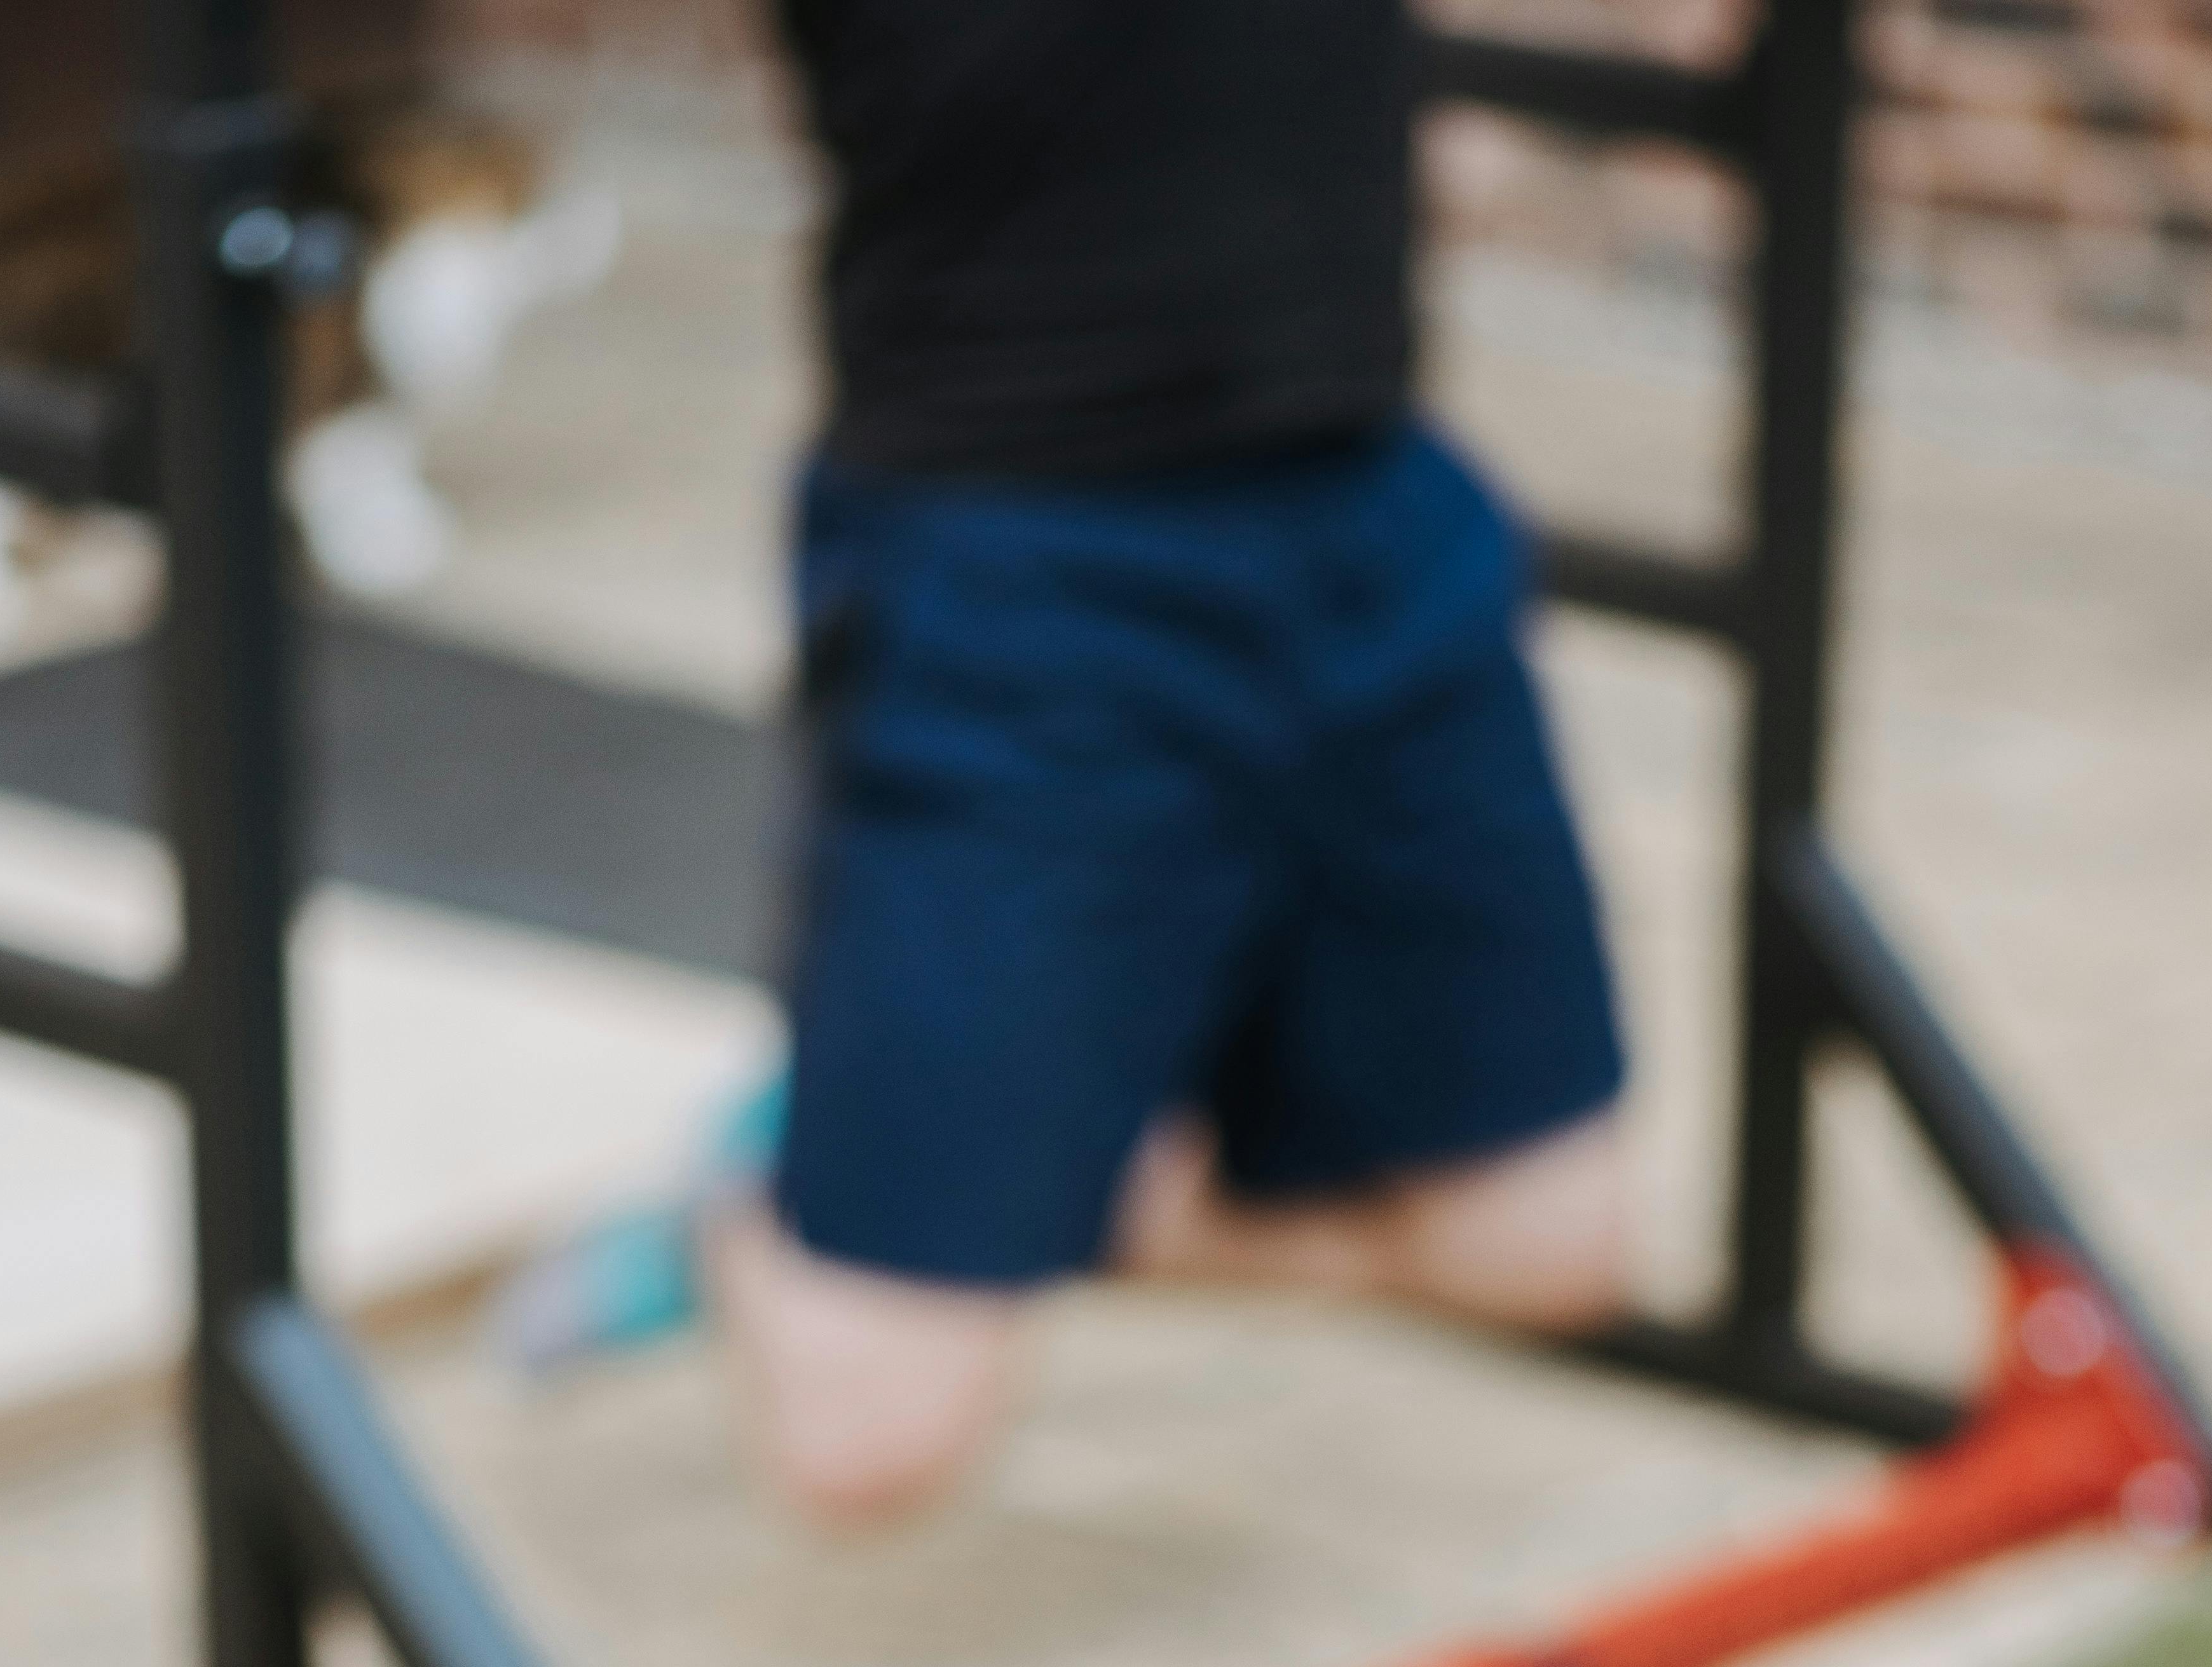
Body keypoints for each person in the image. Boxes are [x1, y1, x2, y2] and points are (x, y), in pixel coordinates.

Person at [510, 0, 1630, 1524]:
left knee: (1549, 1257)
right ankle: (756, 1204)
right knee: (866, 1446)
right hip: (1017, 571)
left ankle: (965, 1127)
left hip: (1365, 509)